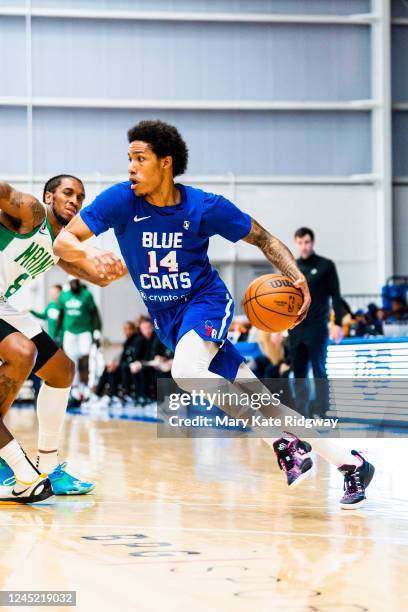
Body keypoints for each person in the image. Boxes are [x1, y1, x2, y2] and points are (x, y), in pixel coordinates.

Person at [54, 120, 375, 509]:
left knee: (186, 372)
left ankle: (281, 442)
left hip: (205, 302)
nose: (131, 168)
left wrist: (296, 277)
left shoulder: (205, 207)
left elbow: (265, 238)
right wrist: (91, 252)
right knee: (259, 397)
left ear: (165, 163)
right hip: (167, 318)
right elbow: (64, 239)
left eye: (140, 159)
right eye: (129, 159)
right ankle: (351, 463)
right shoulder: (121, 200)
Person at [0, 176, 126, 503]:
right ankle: (7, 462)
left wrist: (126, 265)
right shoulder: (32, 213)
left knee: (61, 371)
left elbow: (98, 277)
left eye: (81, 197)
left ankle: (50, 466)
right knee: (21, 352)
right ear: (48, 196)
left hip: (2, 303)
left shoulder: (61, 244)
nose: (75, 201)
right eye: (67, 193)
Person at [289, 227, 343, 418]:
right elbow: (282, 299)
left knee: (319, 370)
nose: (304, 246)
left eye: (307, 242)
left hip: (317, 327)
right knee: (299, 373)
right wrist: (278, 328)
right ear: (296, 243)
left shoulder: (326, 265)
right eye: (300, 242)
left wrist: (337, 323)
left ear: (313, 242)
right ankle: (301, 414)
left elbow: (336, 295)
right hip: (295, 328)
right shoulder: (291, 267)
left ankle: (322, 412)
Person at [57, 278, 102, 399]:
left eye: (75, 282)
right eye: (71, 283)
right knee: (72, 360)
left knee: (87, 357)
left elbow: (95, 314)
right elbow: (60, 314)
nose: (74, 285)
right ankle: (74, 387)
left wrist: (97, 332)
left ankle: (88, 386)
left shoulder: (87, 295)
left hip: (85, 331)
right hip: (69, 332)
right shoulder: (63, 295)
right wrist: (58, 333)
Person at [94, 320, 144, 402]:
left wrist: (118, 364)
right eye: (124, 329)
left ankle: (126, 394)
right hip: (125, 366)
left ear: (133, 329)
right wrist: (114, 363)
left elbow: (135, 358)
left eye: (128, 329)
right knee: (109, 368)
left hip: (134, 366)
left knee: (121, 367)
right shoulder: (127, 342)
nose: (126, 331)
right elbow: (123, 357)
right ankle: (100, 395)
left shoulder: (138, 340)